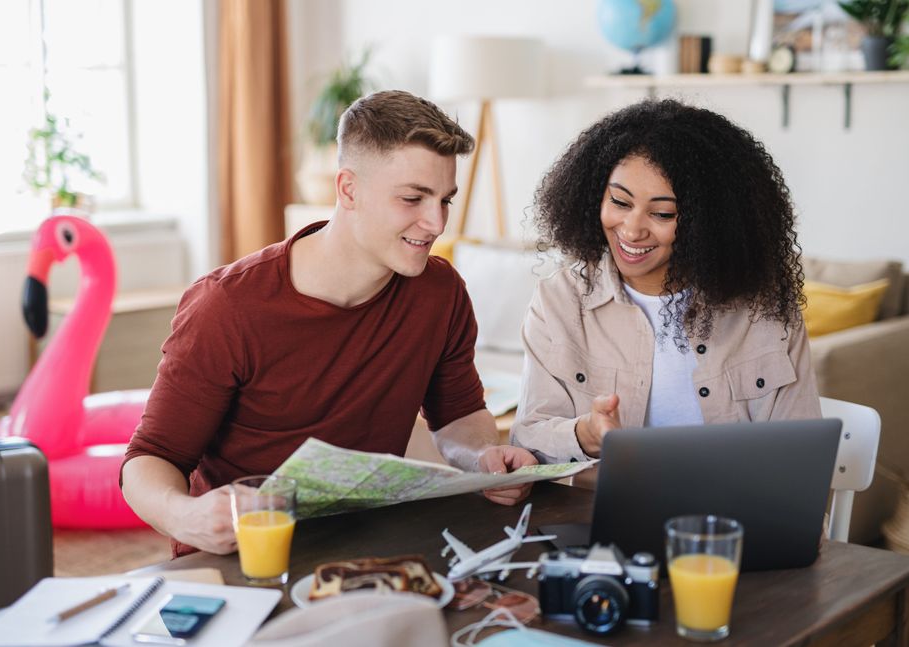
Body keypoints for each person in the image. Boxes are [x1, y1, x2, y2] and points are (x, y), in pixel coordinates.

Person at [122, 90, 538, 556]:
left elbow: (458, 415)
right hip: (239, 559)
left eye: (445, 200)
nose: (435, 222)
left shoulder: (440, 293)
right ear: (348, 189)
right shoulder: (226, 307)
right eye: (412, 199)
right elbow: (149, 459)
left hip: (365, 547)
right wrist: (185, 516)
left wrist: (484, 458)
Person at [511, 99, 821, 464]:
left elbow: (800, 458)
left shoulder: (763, 310)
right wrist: (587, 434)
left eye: (662, 213)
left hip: (729, 519)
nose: (631, 229)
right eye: (620, 202)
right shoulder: (560, 300)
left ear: (709, 223)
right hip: (593, 516)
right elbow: (527, 437)